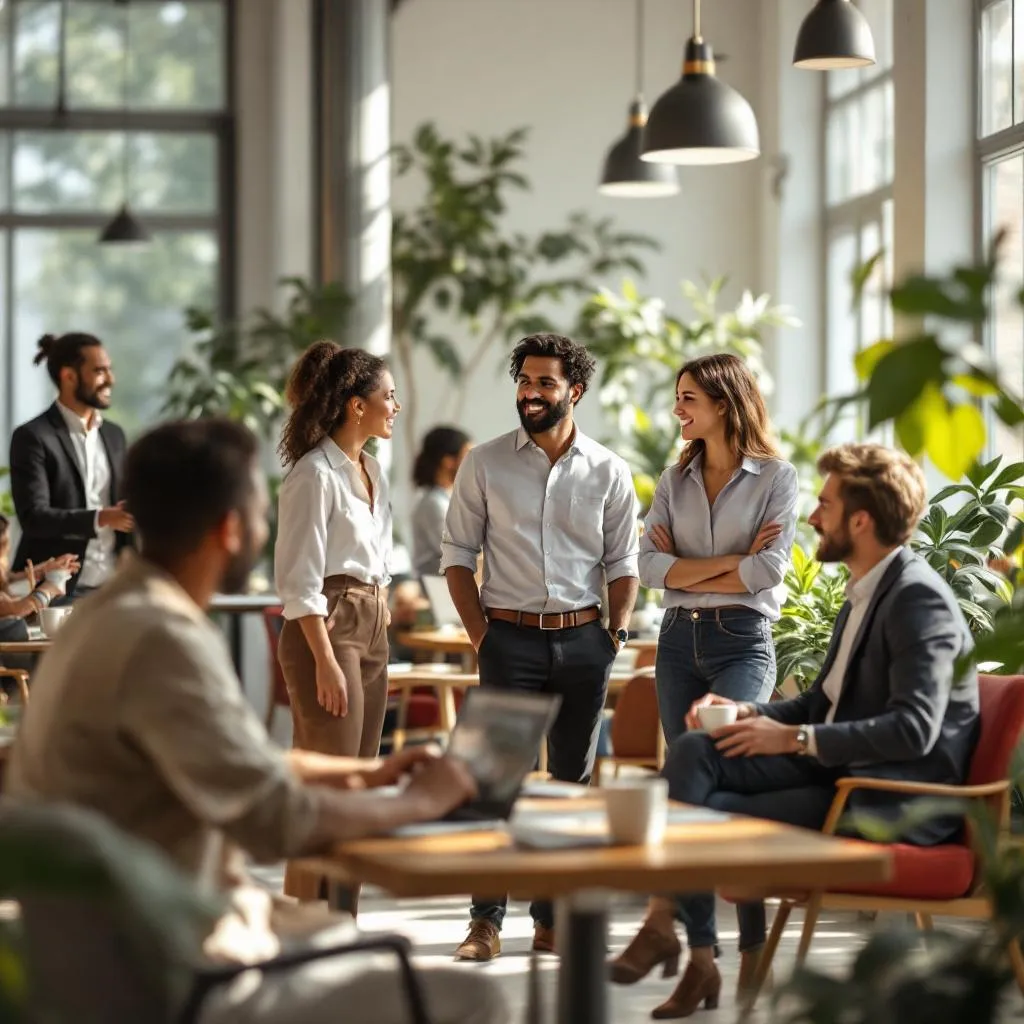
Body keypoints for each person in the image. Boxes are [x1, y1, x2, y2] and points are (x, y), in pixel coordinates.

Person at [4, 417, 508, 1024]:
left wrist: (373, 777)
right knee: (475, 997)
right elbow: (276, 819)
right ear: (230, 528)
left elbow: (237, 759)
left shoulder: (102, 618)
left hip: (100, 956)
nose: (268, 531)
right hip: (180, 971)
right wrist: (419, 802)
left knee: (331, 935)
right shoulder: (163, 638)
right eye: (261, 515)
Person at [612, 443, 980, 1020]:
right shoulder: (867, 590)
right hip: (841, 773)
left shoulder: (917, 600)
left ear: (860, 520)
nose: (811, 518)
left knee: (710, 813)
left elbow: (915, 729)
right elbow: (823, 701)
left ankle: (687, 944)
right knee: (694, 753)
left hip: (888, 797)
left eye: (826, 505)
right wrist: (754, 716)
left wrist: (797, 739)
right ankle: (682, 939)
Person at [441, 332, 640, 961]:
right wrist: (482, 636)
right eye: (524, 381)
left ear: (574, 391)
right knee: (493, 779)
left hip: (585, 641)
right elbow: (455, 557)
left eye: (544, 383)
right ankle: (484, 923)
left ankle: (553, 920)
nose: (530, 393)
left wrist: (615, 633)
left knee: (572, 786)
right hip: (508, 639)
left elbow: (622, 561)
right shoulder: (485, 462)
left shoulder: (609, 469)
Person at [274, 342, 399, 900]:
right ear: (355, 406)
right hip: (327, 627)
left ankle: (341, 926)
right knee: (329, 786)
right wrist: (324, 659)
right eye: (388, 397)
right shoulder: (312, 474)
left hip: (371, 622)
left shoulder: (371, 469)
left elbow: (380, 557)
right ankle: (307, 925)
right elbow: (298, 580)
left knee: (361, 788)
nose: (395, 407)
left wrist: (382, 612)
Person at [639, 353, 798, 745]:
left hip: (742, 640)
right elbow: (648, 568)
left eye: (688, 398)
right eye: (678, 397)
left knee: (724, 751)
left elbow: (767, 573)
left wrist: (682, 569)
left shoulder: (777, 478)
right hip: (676, 640)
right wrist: (737, 560)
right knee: (684, 760)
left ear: (723, 403)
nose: (677, 408)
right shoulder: (671, 482)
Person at [9, 333, 134, 601]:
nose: (110, 379)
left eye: (109, 370)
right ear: (69, 376)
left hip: (113, 588)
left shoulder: (115, 435)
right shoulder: (33, 437)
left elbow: (124, 506)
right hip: (55, 592)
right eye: (99, 371)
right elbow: (34, 517)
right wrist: (101, 517)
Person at [0, 514, 78, 677]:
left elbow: (11, 579)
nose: (6, 555)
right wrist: (51, 587)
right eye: (4, 547)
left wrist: (46, 570)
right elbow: (16, 609)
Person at [410, 425, 471, 578]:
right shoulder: (433, 503)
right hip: (437, 593)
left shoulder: (450, 498)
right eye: (468, 456)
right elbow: (457, 549)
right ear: (448, 461)